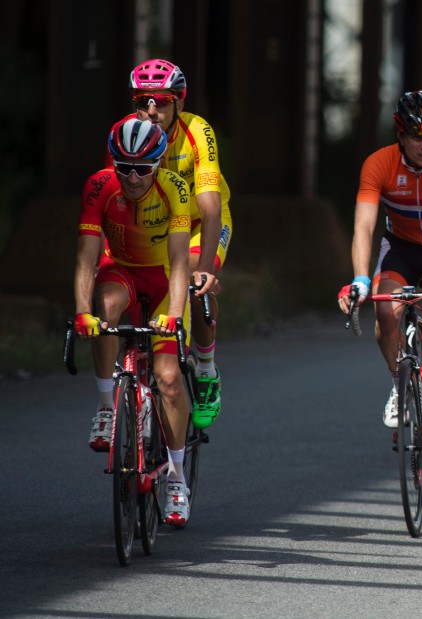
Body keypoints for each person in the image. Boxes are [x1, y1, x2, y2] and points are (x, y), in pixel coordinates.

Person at [337, 90, 422, 496]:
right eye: (417, 136)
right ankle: (402, 383)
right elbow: (364, 225)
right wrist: (360, 278)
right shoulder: (379, 164)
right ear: (401, 135)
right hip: (400, 251)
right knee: (386, 311)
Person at [77, 118, 194, 526]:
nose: (132, 177)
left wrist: (175, 315)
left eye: (142, 168)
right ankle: (108, 406)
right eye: (124, 166)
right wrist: (81, 311)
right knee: (103, 309)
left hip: (163, 280)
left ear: (158, 165)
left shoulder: (176, 189)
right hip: (121, 271)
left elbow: (181, 261)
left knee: (167, 379)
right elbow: (87, 258)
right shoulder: (100, 185)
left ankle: (177, 478)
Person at [129, 58, 233, 430]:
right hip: (156, 226)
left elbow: (210, 205)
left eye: (162, 101)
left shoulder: (197, 132)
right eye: (143, 102)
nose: (152, 111)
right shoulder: (127, 134)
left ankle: (206, 371)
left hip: (198, 224)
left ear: (180, 103)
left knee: (191, 282)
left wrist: (205, 267)